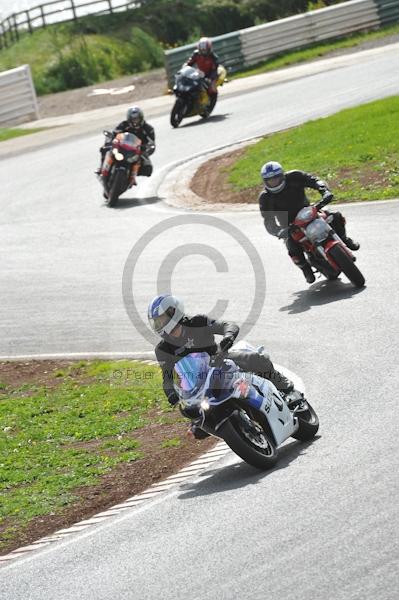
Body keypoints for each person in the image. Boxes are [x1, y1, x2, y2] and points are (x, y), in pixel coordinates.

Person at [148, 294, 295, 439]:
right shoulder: (162, 349)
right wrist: (172, 395)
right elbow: (167, 377)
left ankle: (284, 386)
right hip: (198, 383)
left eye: (162, 319)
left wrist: (228, 337)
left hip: (221, 363)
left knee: (255, 359)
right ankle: (236, 431)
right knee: (198, 428)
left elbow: (227, 325)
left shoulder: (198, 322)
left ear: (174, 311)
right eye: (157, 322)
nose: (161, 325)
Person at [259, 161, 360, 283]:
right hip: (290, 225)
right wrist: (278, 231)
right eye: (270, 180)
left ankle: (344, 239)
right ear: (265, 181)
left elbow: (314, 180)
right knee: (291, 245)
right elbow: (268, 220)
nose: (273, 182)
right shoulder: (265, 198)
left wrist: (324, 191)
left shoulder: (295, 176)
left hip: (309, 211)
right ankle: (305, 268)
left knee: (335, 216)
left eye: (276, 178)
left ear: (282, 176)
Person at [97, 106, 155, 184]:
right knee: (104, 149)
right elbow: (115, 133)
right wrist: (111, 141)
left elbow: (152, 143)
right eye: (133, 119)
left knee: (148, 169)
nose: (135, 122)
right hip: (122, 147)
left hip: (137, 150)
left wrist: (146, 150)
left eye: (137, 119)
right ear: (129, 119)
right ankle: (101, 168)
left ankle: (132, 176)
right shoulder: (123, 124)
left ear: (141, 118)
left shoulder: (148, 128)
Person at [185, 37, 219, 106]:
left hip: (209, 75)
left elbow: (214, 70)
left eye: (205, 50)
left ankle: (211, 103)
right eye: (202, 50)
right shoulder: (196, 54)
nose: (203, 52)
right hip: (199, 73)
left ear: (209, 49)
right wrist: (185, 67)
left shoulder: (213, 57)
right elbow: (190, 63)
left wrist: (211, 78)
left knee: (212, 89)